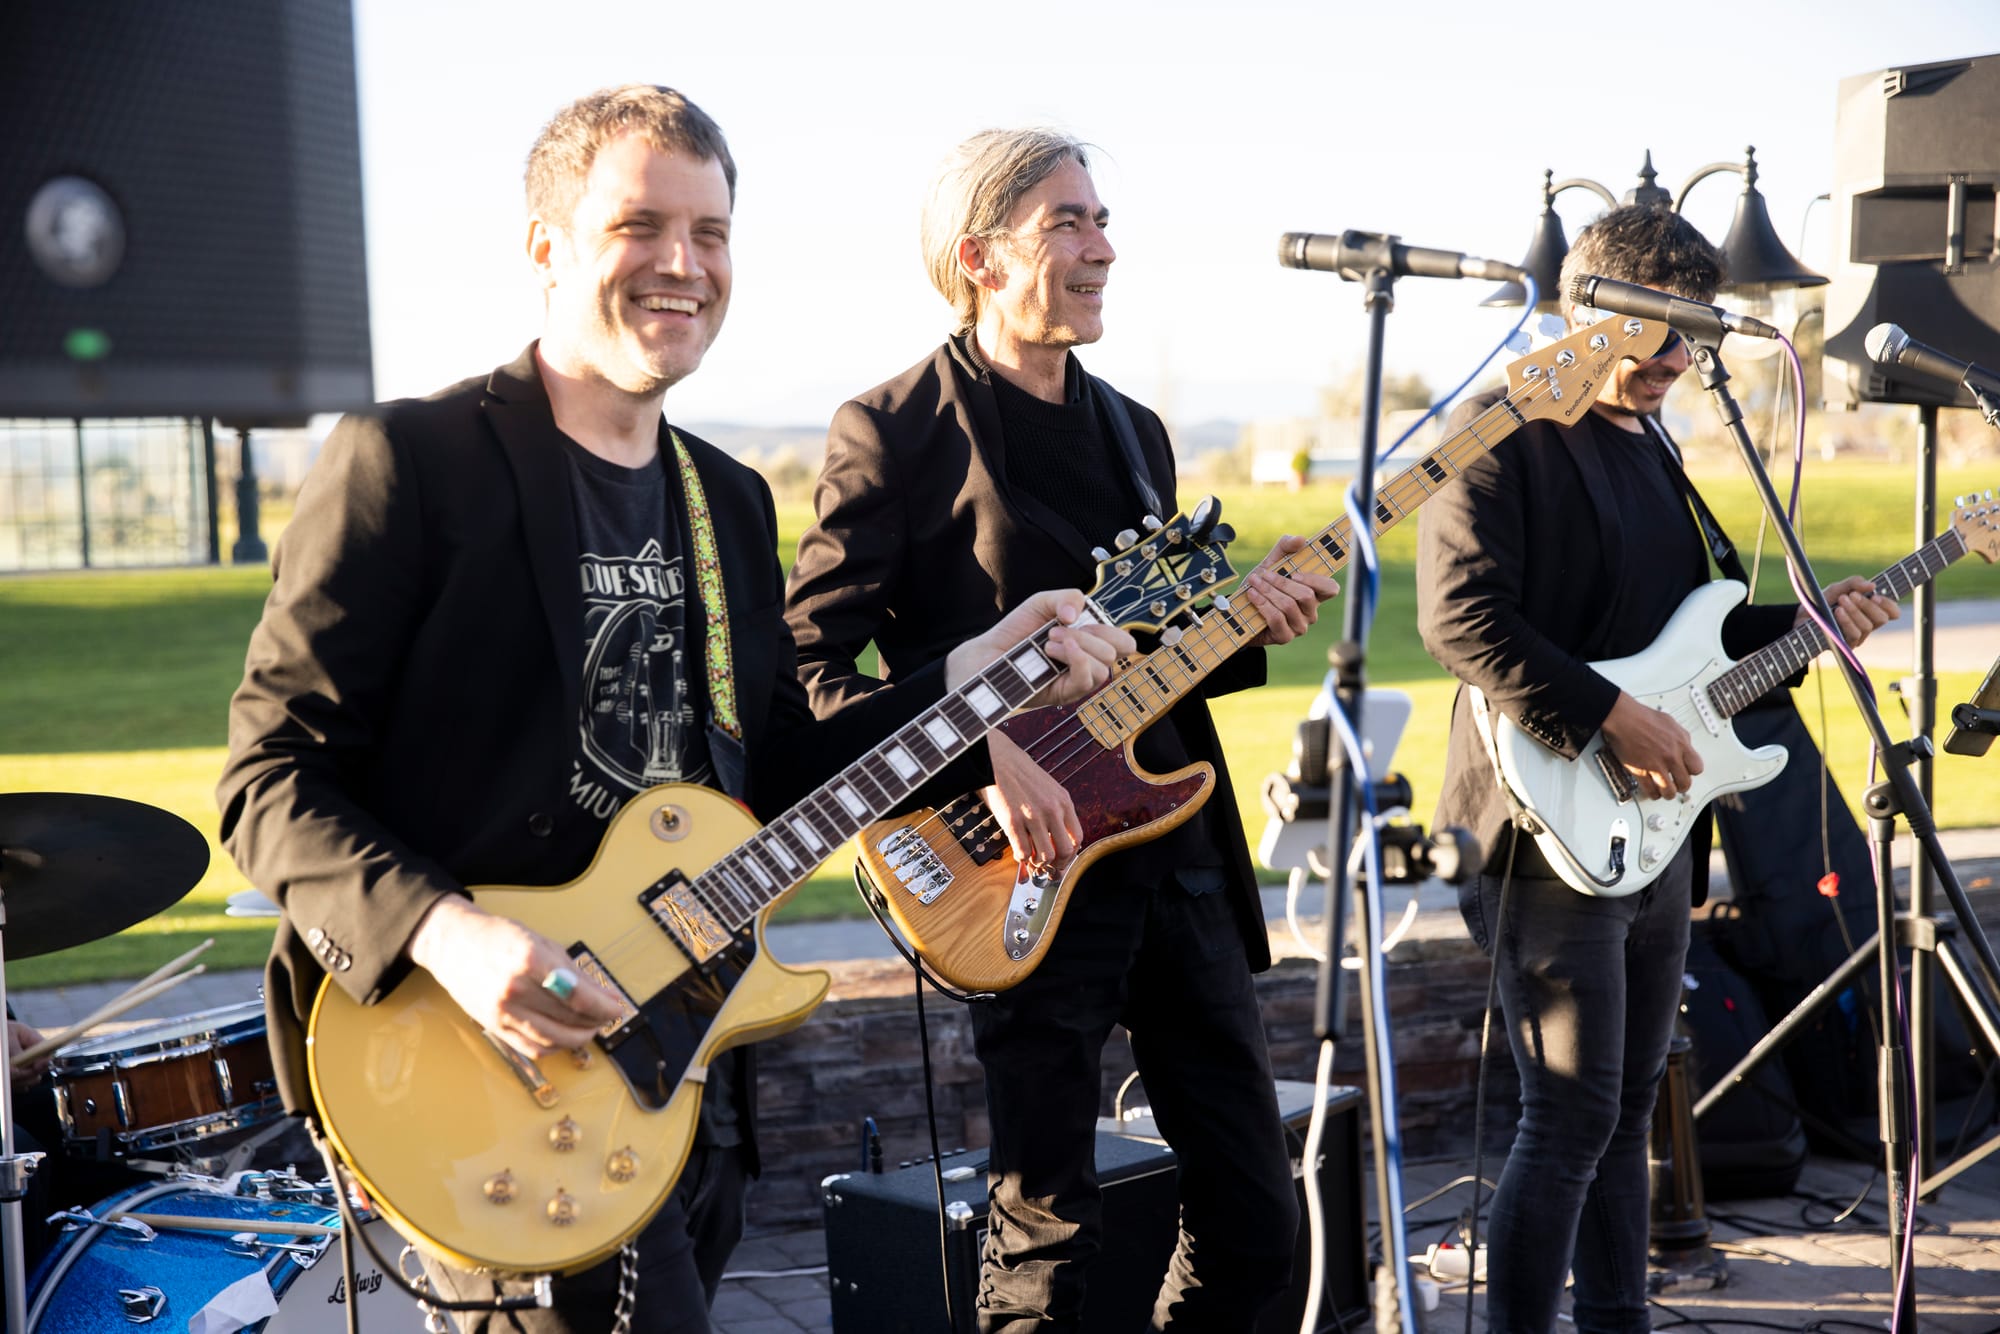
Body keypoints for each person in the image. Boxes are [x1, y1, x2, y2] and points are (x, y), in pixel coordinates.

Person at [216, 87, 1129, 1334]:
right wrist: (449, 934)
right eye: (638, 225)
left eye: (711, 232)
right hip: (490, 1060)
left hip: (685, 1064)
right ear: (546, 247)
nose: (682, 265)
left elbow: (788, 766)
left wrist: (968, 678)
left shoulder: (728, 500)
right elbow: (267, 778)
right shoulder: (411, 462)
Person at [783, 128, 1337, 1332]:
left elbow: (1154, 665)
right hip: (1014, 873)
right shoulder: (890, 430)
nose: (1102, 248)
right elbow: (814, 681)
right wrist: (990, 741)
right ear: (979, 254)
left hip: (1174, 862)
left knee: (1256, 1220)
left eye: (1100, 221)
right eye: (1068, 224)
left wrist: (1253, 621)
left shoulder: (1135, 429)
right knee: (1043, 1233)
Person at [1415, 203, 1898, 1333]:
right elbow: (1457, 618)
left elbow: (1681, 641)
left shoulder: (1651, 439)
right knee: (1569, 1114)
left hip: (1650, 823)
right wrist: (1609, 719)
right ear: (1589, 311)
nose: (1682, 360)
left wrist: (1807, 623)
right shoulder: (1501, 425)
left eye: (1695, 334)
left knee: (1626, 1108)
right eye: (1662, 334)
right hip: (1541, 819)